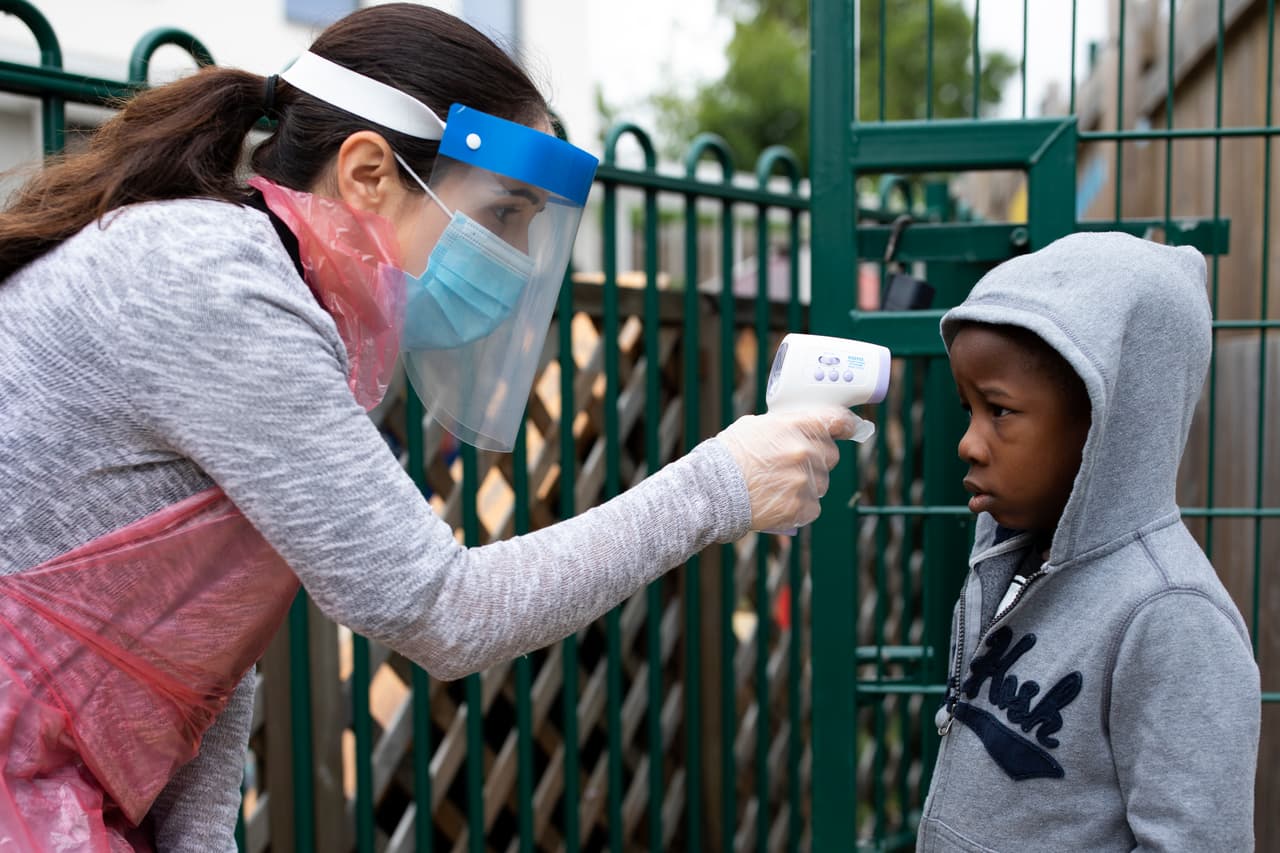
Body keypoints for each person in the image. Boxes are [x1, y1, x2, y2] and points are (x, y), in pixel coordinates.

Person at [0, 5, 871, 850]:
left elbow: (210, 647)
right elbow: (439, 609)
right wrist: (718, 484)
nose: (520, 261)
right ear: (369, 173)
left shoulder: (274, 292)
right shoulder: (219, 288)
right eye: (502, 214)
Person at [917, 232, 1261, 850]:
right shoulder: (1014, 562)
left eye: (999, 410)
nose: (968, 442)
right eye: (967, 407)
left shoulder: (1172, 617)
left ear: (1108, 424)